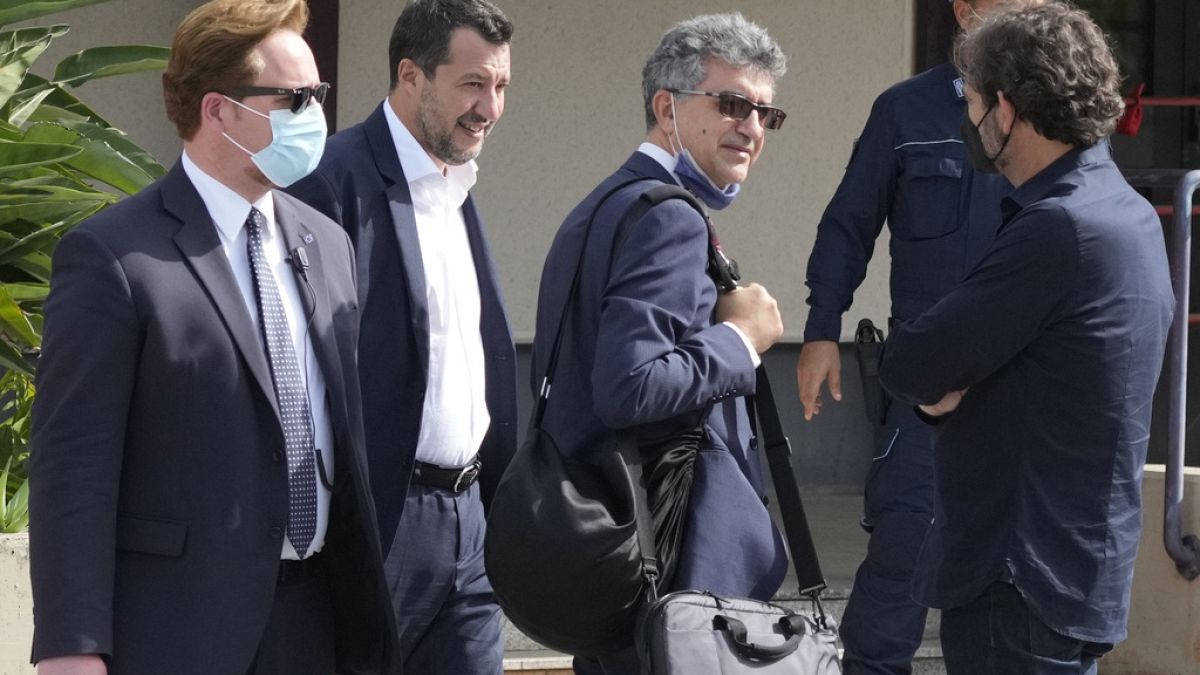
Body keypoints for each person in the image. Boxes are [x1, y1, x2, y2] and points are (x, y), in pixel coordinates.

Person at [27, 1, 398, 674]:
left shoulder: (326, 242)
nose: (314, 115)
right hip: (182, 629)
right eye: (293, 99)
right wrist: (71, 646)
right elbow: (73, 463)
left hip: (316, 617)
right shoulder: (115, 255)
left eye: (318, 95)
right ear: (219, 110)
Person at [879, 4, 1173, 673]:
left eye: (973, 102)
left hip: (1018, 581)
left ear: (1006, 109)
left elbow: (913, 362)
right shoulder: (1124, 210)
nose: (969, 121)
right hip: (1076, 570)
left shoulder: (1059, 227)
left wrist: (940, 389)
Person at [531, 13, 788, 674]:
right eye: (731, 104)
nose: (752, 128)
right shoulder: (668, 218)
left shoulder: (601, 205)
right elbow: (629, 385)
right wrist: (741, 339)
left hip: (612, 554)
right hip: (667, 566)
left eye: (765, 113)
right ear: (667, 108)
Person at [793, 2, 1038, 672]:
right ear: (966, 8)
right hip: (926, 378)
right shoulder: (906, 112)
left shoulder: (1055, 114)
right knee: (905, 544)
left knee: (1018, 573)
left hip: (1027, 380)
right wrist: (820, 330)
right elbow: (849, 223)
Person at [287, 1, 515, 672]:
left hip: (471, 524)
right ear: (411, 75)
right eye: (473, 84)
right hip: (383, 523)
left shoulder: (457, 186)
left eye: (501, 86)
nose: (490, 107)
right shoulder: (329, 180)